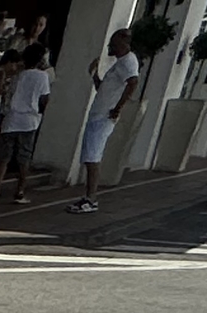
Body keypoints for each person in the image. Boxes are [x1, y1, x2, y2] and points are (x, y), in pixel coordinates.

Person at [75, 27, 137, 212]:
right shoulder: (119, 65)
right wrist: (94, 76)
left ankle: (91, 198)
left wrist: (118, 108)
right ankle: (89, 197)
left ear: (123, 44)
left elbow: (133, 83)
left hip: (104, 116)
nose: (110, 47)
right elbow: (104, 89)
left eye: (114, 44)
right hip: (99, 114)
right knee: (90, 157)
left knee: (93, 157)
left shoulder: (128, 62)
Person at [0, 39, 49, 201]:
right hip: (29, 121)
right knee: (24, 157)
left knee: (4, 157)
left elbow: (7, 98)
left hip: (11, 119)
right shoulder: (42, 77)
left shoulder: (17, 76)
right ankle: (20, 191)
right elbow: (45, 99)